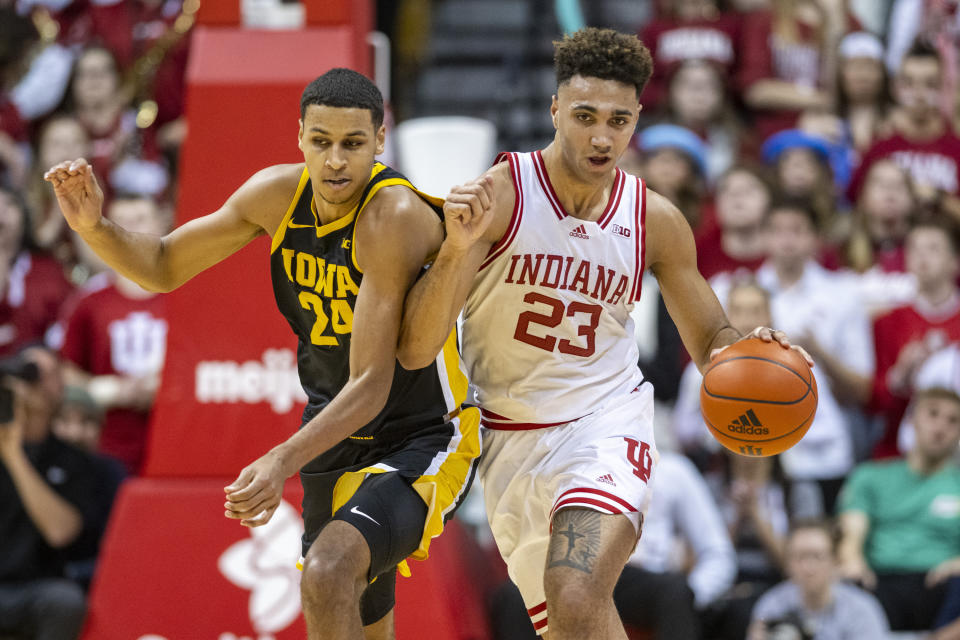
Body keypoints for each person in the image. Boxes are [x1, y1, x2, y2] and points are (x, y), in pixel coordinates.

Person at [396, 27, 810, 639]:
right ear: (555, 109)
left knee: (576, 587)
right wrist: (456, 251)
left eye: (618, 120)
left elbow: (710, 338)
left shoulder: (654, 220)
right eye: (585, 115)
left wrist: (753, 355)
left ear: (637, 120)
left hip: (605, 425)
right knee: (572, 622)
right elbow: (417, 348)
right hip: (509, 440)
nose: (601, 135)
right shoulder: (502, 197)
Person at [44, 68, 481, 640]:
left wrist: (279, 460)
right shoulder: (275, 195)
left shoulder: (390, 217)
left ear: (380, 142)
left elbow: (373, 382)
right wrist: (94, 227)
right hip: (335, 428)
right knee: (354, 607)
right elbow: (164, 265)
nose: (335, 162)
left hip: (420, 432)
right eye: (321, 142)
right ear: (299, 136)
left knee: (327, 572)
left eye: (353, 144)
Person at [55, 194, 171, 475]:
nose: (132, 229)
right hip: (108, 447)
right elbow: (66, 372)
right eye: (122, 222)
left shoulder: (189, 297)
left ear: (163, 223)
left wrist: (164, 386)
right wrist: (115, 391)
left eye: (140, 219)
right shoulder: (89, 301)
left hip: (174, 440)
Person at [0, 346, 107, 640]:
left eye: (45, 374)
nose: (34, 383)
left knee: (65, 602)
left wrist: (13, 456)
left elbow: (61, 532)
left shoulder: (74, 460)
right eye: (28, 372)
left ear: (61, 385)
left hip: (38, 586)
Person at [838, 386, 960, 634]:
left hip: (943, 584)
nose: (941, 427)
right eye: (933, 414)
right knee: (844, 583)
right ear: (912, 420)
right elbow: (851, 536)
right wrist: (852, 560)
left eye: (953, 420)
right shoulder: (870, 477)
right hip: (879, 581)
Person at [747, 519, 889, 640]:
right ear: (788, 563)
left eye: (817, 556)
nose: (808, 567)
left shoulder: (861, 610)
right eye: (800, 557)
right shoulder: (772, 606)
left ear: (834, 561)